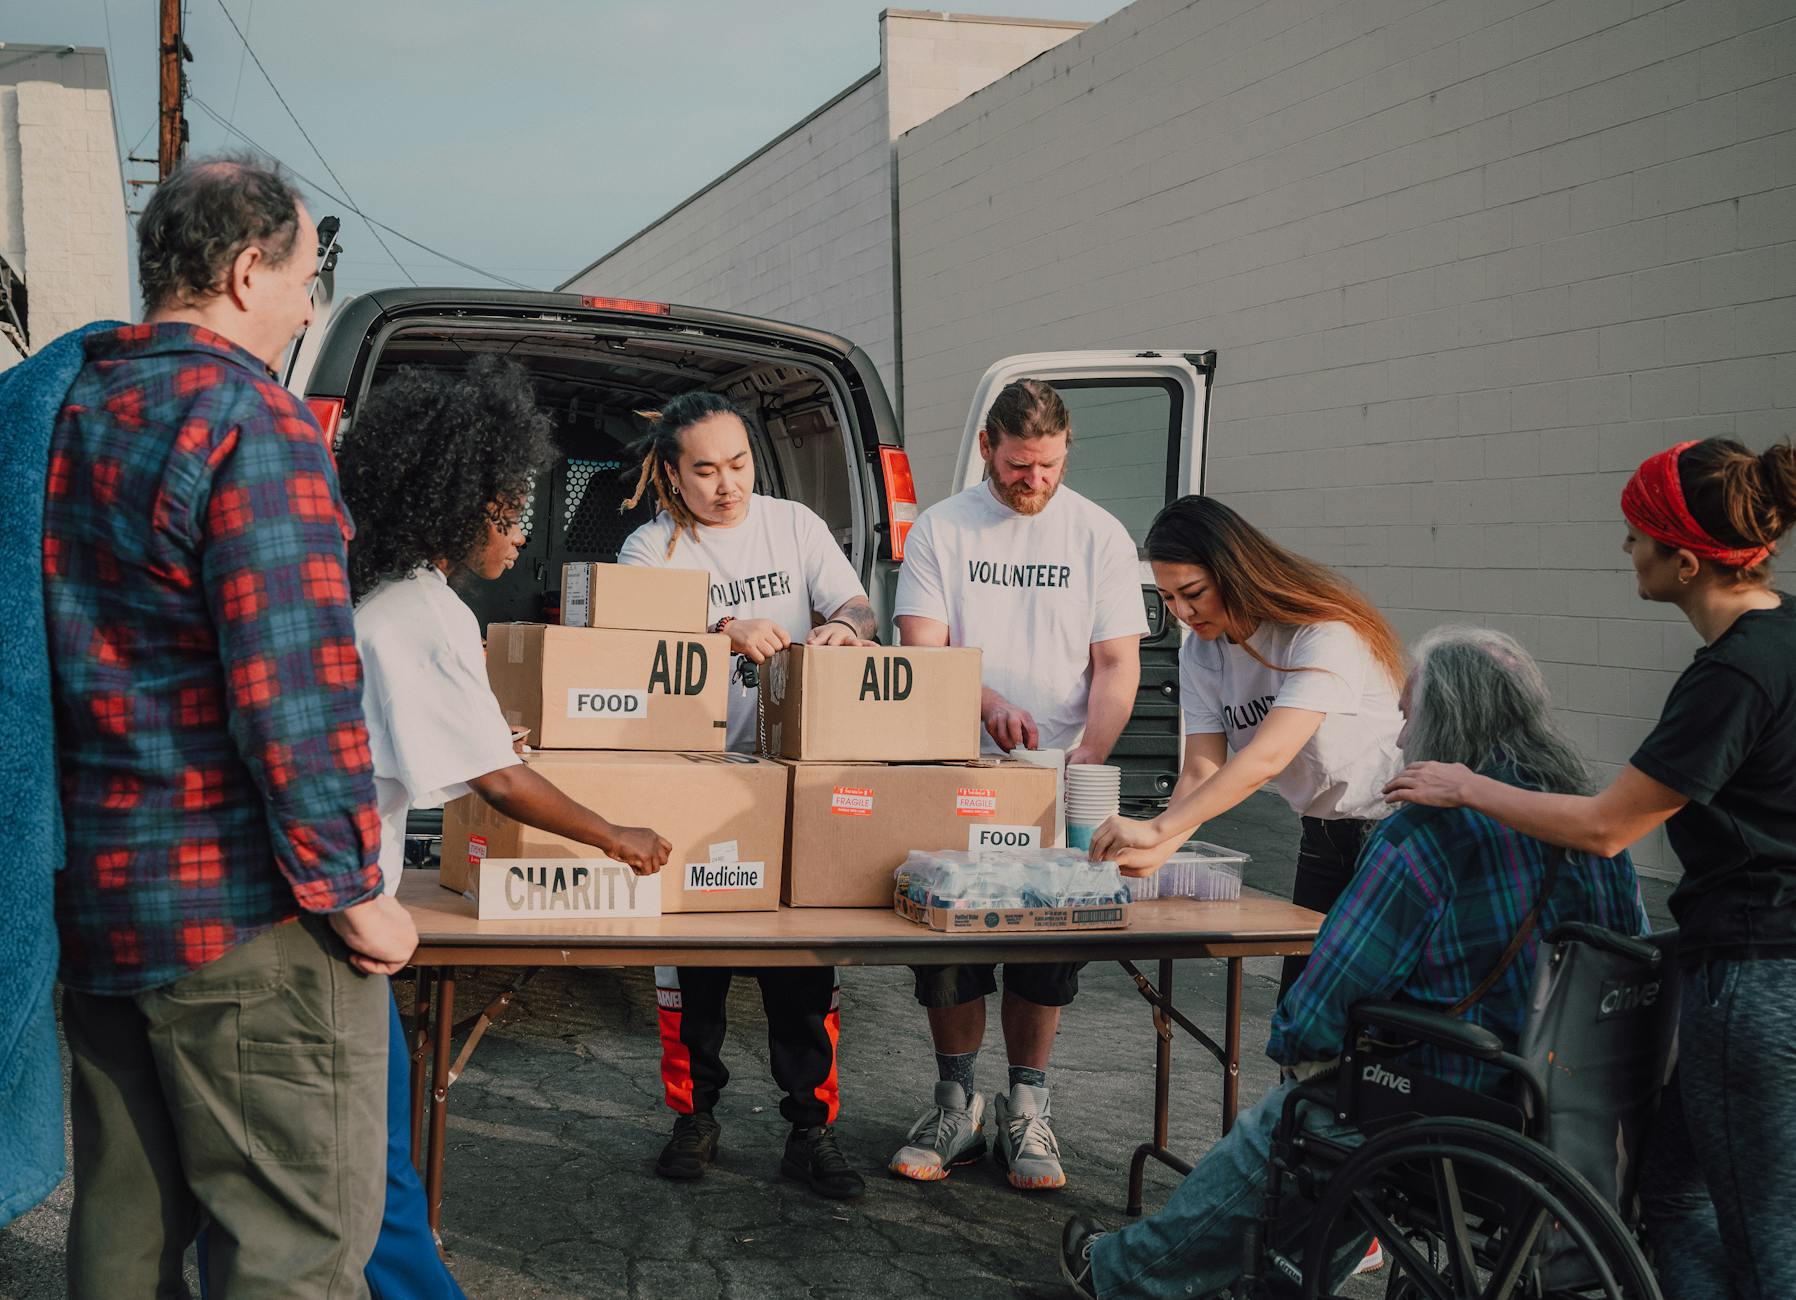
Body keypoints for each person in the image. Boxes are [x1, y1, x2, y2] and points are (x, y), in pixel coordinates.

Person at [44, 155, 416, 1298]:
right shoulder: (251, 423)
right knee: (291, 1257)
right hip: (242, 920)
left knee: (121, 1244)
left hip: (98, 907)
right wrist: (357, 896)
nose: (311, 304)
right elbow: (293, 696)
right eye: (309, 276)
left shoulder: (65, 410)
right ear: (248, 270)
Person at [1059, 626, 1650, 1298]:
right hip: (1575, 1114)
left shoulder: (1425, 834)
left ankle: (1126, 1276)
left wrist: (1297, 1048)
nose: (1399, 740)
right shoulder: (1586, 827)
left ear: (1445, 721)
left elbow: (1331, 994)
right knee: (1338, 1106)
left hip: (1455, 1098)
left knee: (1302, 1109)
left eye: (1407, 717)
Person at [1385, 437, 1796, 1300]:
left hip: (1759, 973)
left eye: (1637, 535)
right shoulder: (1783, 638)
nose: (1626, 550)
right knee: (1677, 1190)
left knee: (1767, 1240)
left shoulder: (1735, 674)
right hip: (1761, 966)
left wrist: (1468, 785)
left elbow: (1609, 827)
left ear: (1686, 561)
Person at [327, 356, 673, 1297]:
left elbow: (429, 745)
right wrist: (618, 836)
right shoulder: (427, 611)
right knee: (379, 1167)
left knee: (345, 1154)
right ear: (462, 502)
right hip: (336, 922)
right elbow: (502, 782)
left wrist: (491, 745)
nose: (522, 539)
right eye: (514, 512)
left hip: (322, 901)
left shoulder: (377, 594)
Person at [616, 390, 876, 1199]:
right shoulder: (650, 548)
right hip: (691, 783)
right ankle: (694, 1117)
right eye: (705, 470)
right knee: (696, 972)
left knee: (801, 970)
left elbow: (858, 604)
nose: (727, 484)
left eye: (738, 464)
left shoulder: (794, 524)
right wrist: (721, 626)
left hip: (796, 781)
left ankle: (811, 1130)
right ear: (671, 472)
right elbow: (623, 642)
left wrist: (846, 630)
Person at [889, 377, 1146, 1191]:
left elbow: (1115, 662)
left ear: (1066, 450)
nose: (1031, 482)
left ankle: (1027, 1105)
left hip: (1060, 772)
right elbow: (923, 650)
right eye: (1016, 468)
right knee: (954, 941)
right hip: (957, 767)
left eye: (1046, 466)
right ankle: (956, 1102)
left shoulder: (1099, 535)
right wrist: (988, 701)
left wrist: (1089, 757)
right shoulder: (942, 528)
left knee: (1048, 942)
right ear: (986, 451)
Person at [1089, 495, 1405, 1002]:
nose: (1185, 613)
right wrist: (1159, 850)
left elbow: (1266, 758)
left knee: (1367, 1009)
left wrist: (1156, 828)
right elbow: (1201, 768)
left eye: (1193, 592)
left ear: (1234, 571)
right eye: (1168, 599)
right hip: (1323, 831)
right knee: (1302, 1010)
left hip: (1393, 830)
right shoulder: (1201, 651)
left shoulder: (1321, 632)